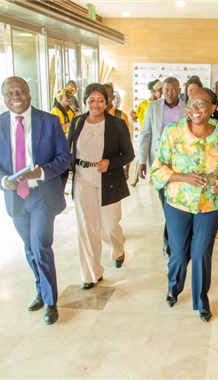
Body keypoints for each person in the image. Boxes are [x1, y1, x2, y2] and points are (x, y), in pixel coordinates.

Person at [150, 88, 218, 323]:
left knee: (201, 253)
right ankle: (173, 287)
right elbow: (157, 168)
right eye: (191, 103)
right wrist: (183, 177)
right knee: (179, 253)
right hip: (178, 203)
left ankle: (202, 301)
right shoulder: (173, 132)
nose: (195, 108)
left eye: (202, 104)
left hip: (210, 204)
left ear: (213, 107)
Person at [0, 76, 71, 325]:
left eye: (20, 92)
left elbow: (65, 158)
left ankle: (50, 302)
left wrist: (40, 173)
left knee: (40, 245)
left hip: (41, 194)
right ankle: (41, 290)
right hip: (15, 197)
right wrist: (3, 180)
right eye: (10, 94)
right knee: (30, 249)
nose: (16, 97)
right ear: (4, 97)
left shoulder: (50, 121)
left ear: (29, 94)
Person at [67, 83, 134, 290]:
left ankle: (118, 247)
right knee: (87, 229)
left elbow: (129, 154)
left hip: (108, 178)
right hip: (81, 177)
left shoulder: (117, 124)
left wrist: (109, 163)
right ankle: (91, 274)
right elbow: (69, 149)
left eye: (100, 100)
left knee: (109, 226)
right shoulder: (77, 122)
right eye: (91, 100)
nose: (96, 105)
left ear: (107, 102)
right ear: (85, 101)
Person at [138, 77, 187, 258]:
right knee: (166, 203)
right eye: (166, 90)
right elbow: (146, 134)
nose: (170, 93)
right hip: (160, 163)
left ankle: (171, 244)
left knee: (176, 203)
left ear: (179, 90)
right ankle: (171, 242)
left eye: (174, 90)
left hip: (182, 165)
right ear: (161, 91)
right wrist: (142, 160)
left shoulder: (187, 107)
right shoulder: (153, 107)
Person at [130, 79, 163, 187]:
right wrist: (133, 116)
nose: (161, 92)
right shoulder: (143, 104)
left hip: (157, 135)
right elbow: (136, 117)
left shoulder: (161, 104)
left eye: (162, 90)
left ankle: (152, 177)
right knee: (142, 155)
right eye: (159, 90)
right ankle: (136, 178)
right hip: (145, 135)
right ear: (153, 91)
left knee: (155, 156)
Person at [103, 83, 132, 180]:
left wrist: (127, 167)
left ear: (113, 97)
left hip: (115, 166)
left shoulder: (120, 117)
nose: (105, 99)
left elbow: (127, 145)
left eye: (108, 96)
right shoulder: (94, 117)